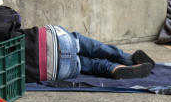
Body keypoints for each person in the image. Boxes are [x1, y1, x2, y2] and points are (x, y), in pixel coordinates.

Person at [22, 25, 155, 83]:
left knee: (89, 65)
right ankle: (126, 58)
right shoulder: (3, 28)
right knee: (91, 46)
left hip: (58, 71)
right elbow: (14, 17)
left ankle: (114, 68)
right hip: (61, 41)